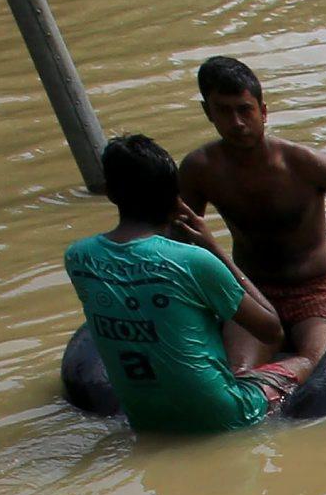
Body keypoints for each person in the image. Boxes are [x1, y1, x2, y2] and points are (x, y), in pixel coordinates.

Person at [173, 59, 326, 372]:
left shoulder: (302, 163)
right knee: (238, 372)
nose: (237, 122)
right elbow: (178, 239)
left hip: (315, 292)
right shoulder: (201, 169)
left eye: (245, 109)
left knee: (318, 367)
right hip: (251, 292)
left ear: (263, 111)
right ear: (208, 113)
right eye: (224, 111)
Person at [63, 132, 303, 436]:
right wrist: (215, 250)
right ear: (174, 198)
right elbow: (271, 330)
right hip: (224, 416)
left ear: (110, 193)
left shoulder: (78, 258)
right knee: (304, 362)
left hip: (145, 420)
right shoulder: (193, 261)